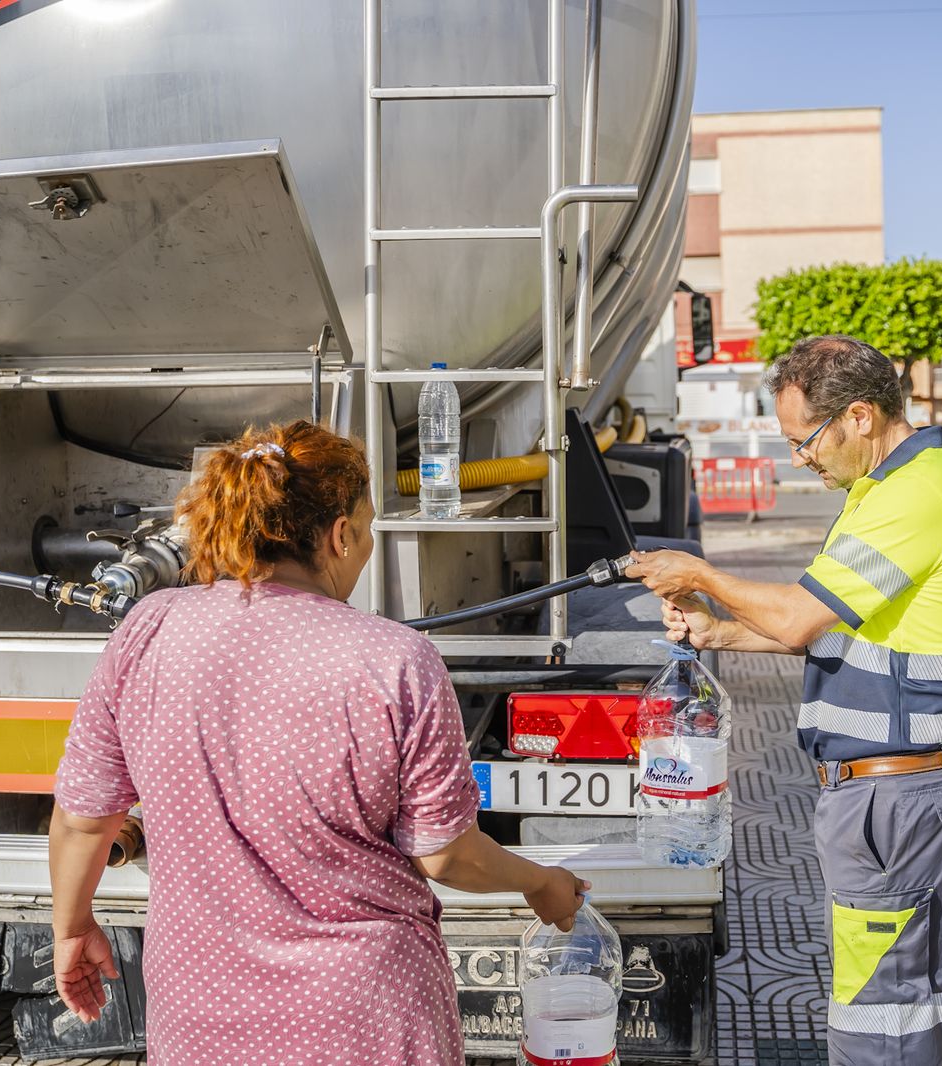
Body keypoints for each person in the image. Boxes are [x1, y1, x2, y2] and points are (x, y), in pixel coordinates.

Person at [47, 420, 588, 1066]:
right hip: (363, 1027)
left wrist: (71, 927)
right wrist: (539, 882)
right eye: (367, 529)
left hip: (202, 1027)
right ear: (339, 535)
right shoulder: (395, 662)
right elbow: (446, 857)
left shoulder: (148, 632)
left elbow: (83, 823)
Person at [627, 336, 942, 1065]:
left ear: (859, 416)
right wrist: (723, 632)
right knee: (913, 1000)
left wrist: (698, 569)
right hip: (903, 789)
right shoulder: (886, 487)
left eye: (806, 441)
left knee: (880, 1021)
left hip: (899, 795)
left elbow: (798, 615)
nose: (801, 458)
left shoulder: (915, 492)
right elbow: (834, 634)